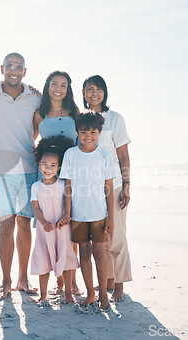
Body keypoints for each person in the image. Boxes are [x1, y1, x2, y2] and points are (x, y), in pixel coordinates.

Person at [0, 53, 41, 300]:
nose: (14, 71)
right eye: (10, 66)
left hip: (29, 169)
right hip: (1, 171)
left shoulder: (34, 97)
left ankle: (22, 279)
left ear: (25, 72)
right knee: (6, 224)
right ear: (2, 69)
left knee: (25, 224)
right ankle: (5, 282)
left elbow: (38, 127)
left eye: (19, 67)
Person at [59, 112, 117, 310]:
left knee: (99, 252)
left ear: (99, 133)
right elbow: (68, 186)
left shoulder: (104, 156)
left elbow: (108, 188)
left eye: (93, 131)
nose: (88, 135)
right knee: (84, 251)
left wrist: (111, 216)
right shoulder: (70, 154)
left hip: (99, 214)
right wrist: (67, 213)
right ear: (78, 132)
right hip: (78, 214)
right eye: (84, 131)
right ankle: (90, 293)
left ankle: (103, 295)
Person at [82, 75, 132, 302]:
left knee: (118, 235)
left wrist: (127, 185)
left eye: (98, 89)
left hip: (115, 186)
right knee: (100, 239)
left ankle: (119, 285)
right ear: (83, 94)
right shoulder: (81, 120)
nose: (94, 93)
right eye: (89, 89)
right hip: (91, 190)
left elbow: (123, 155)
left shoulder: (115, 119)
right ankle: (108, 280)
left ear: (104, 92)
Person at [33, 71, 82, 296]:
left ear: (68, 88)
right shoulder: (39, 114)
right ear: (47, 86)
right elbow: (31, 142)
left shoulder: (75, 112)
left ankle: (70, 282)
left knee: (69, 228)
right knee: (51, 228)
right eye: (54, 84)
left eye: (63, 85)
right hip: (47, 177)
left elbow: (83, 141)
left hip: (71, 176)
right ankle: (58, 281)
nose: (58, 88)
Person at [30, 136, 79, 304]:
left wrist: (65, 217)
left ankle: (67, 293)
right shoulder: (36, 186)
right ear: (39, 165)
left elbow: (68, 205)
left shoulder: (62, 184)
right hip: (45, 231)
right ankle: (43, 295)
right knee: (43, 259)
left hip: (61, 229)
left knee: (65, 259)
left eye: (52, 165)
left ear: (58, 167)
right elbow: (36, 208)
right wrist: (43, 222)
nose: (48, 168)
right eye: (44, 164)